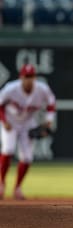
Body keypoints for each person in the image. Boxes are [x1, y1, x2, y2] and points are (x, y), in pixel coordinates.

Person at [0, 64, 56, 200]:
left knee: (27, 158)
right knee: (8, 150)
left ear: (35, 77)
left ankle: (18, 188)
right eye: (26, 76)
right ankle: (1, 183)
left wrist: (49, 121)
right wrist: (4, 121)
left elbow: (51, 103)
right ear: (21, 77)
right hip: (10, 122)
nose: (29, 79)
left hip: (27, 124)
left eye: (31, 76)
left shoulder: (42, 89)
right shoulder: (11, 88)